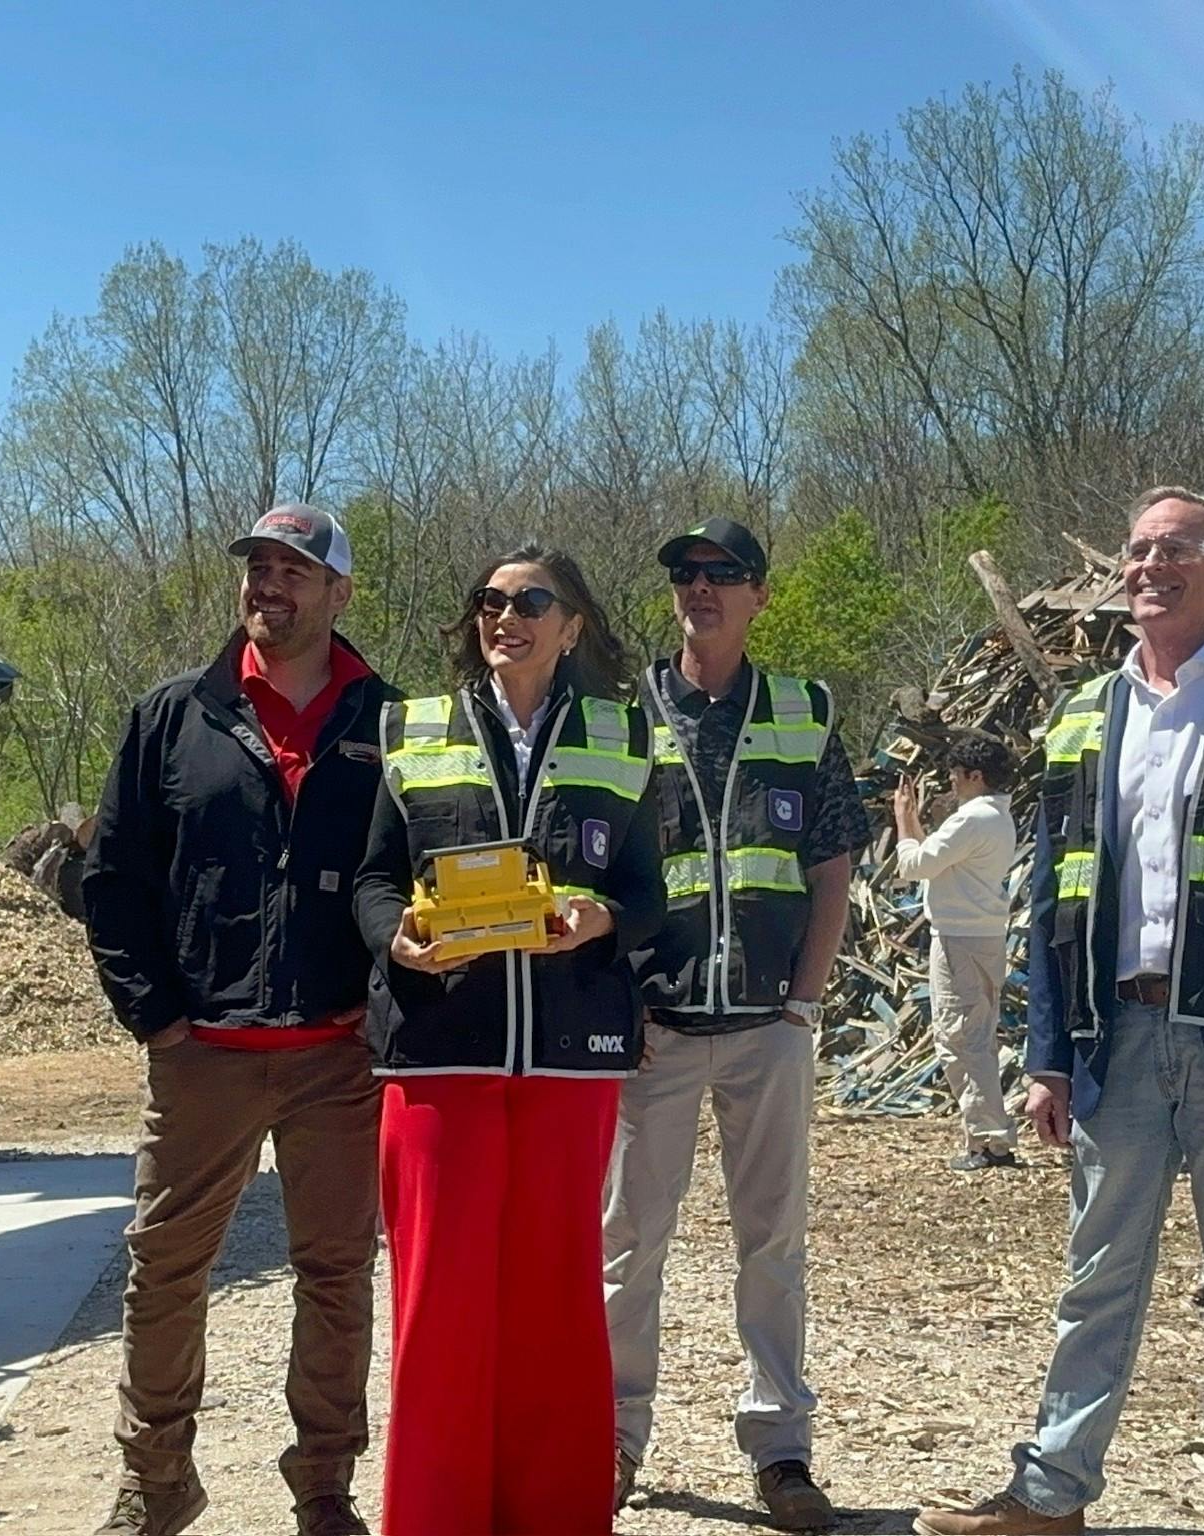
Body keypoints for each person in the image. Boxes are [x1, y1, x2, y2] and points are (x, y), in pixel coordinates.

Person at [913, 487, 1204, 1536]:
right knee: (1094, 1280)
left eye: (1173, 549)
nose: (1146, 567)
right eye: (1134, 550)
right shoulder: (1082, 714)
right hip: (1113, 1039)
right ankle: (1049, 1492)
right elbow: (1051, 899)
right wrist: (1042, 1053)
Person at [82, 504, 390, 1536]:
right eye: (257, 567)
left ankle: (323, 1487)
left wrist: (386, 1020)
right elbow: (112, 877)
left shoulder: (386, 722)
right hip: (202, 1053)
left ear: (338, 594)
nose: (269, 584)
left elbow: (409, 883)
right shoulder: (173, 715)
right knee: (164, 1269)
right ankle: (156, 1483)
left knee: (336, 1278)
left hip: (336, 1054)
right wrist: (155, 1017)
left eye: (294, 570)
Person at [354, 545, 663, 1536]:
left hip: (568, 1063)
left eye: (531, 600)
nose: (505, 616)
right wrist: (392, 936)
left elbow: (655, 893)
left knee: (553, 1315)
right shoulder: (412, 729)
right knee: (438, 1318)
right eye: (488, 599)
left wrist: (606, 918)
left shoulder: (622, 735)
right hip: (439, 1060)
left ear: (571, 624)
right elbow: (368, 881)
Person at [604, 516, 870, 1529]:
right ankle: (614, 1439)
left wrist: (805, 998)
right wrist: (613, 1003)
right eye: (683, 573)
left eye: (722, 574)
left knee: (772, 1241)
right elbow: (590, 870)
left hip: (767, 1020)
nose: (699, 588)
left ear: (760, 595)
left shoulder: (801, 711)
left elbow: (832, 862)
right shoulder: (623, 713)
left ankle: (780, 1449)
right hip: (654, 1024)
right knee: (627, 1243)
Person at [890, 733, 1024, 1170]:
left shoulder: (972, 819)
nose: (951, 783)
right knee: (975, 1036)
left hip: (958, 940)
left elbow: (915, 866)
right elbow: (934, 860)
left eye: (955, 775)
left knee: (961, 1040)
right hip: (983, 936)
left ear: (975, 776)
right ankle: (986, 1135)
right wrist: (910, 822)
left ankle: (990, 1140)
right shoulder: (997, 818)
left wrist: (901, 821)